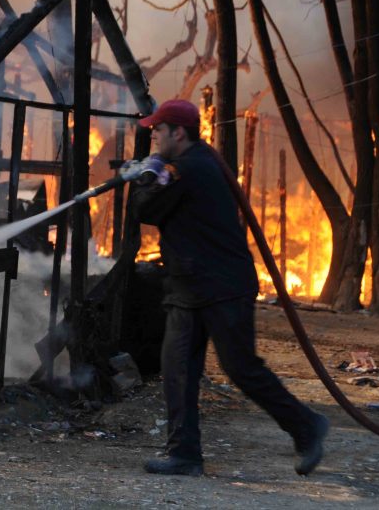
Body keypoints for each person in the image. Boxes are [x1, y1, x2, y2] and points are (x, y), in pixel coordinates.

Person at [130, 99, 329, 477]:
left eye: (159, 129)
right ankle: (184, 455)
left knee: (242, 369)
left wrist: (147, 174)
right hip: (189, 287)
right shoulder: (196, 162)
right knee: (177, 369)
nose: (153, 135)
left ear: (179, 133)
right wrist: (153, 171)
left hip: (221, 285)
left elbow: (144, 210)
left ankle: (307, 426)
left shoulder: (188, 169)